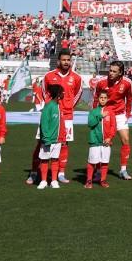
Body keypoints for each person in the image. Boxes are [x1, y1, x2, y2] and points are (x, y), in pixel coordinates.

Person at [43, 51, 83, 184]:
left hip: (67, 115)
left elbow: (78, 93)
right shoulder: (49, 76)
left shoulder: (76, 78)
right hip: (52, 114)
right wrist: (51, 107)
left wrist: (70, 106)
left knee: (64, 144)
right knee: (43, 140)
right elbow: (44, 92)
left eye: (68, 60)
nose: (66, 62)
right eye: (64, 60)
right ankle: (36, 171)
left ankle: (61, 172)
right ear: (58, 61)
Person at [92, 61, 132, 181]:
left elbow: (130, 98)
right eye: (110, 70)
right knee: (103, 142)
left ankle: (123, 169)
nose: (110, 73)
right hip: (105, 114)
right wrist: (95, 114)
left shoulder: (127, 83)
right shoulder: (101, 82)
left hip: (120, 114)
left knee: (126, 140)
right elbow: (95, 98)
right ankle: (98, 170)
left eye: (114, 71)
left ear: (120, 72)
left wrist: (127, 114)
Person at [84, 89, 117, 189]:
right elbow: (90, 124)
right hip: (95, 141)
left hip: (106, 142)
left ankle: (103, 180)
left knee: (105, 162)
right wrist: (100, 116)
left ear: (107, 99)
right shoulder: (93, 112)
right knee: (92, 162)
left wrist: (109, 138)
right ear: (98, 99)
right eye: (101, 98)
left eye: (105, 98)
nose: (103, 100)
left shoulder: (111, 112)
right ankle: (89, 181)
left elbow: (113, 126)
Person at [36, 84, 65, 189]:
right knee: (44, 160)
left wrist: (62, 137)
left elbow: (61, 124)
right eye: (62, 92)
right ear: (58, 94)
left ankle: (54, 180)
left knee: (55, 159)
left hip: (57, 140)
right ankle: (43, 181)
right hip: (48, 140)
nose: (63, 94)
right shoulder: (48, 107)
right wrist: (46, 139)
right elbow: (44, 124)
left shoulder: (59, 106)